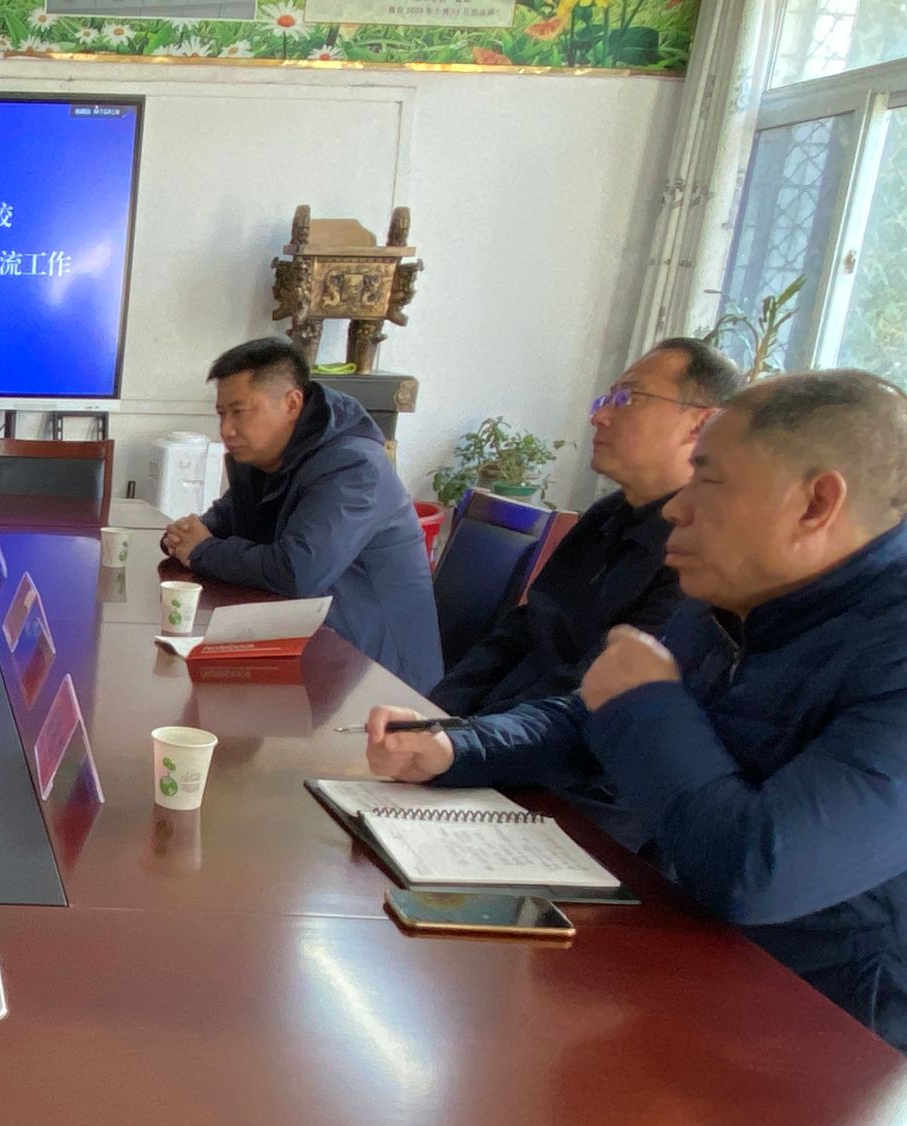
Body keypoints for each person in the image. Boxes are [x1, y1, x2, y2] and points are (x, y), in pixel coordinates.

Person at [365, 370, 907, 1051]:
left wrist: (649, 701)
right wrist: (458, 745)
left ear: (816, 503)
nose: (677, 509)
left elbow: (759, 874)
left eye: (709, 480)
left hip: (827, 1031)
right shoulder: (732, 593)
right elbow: (596, 712)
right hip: (676, 955)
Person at [431, 338, 742, 716]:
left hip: (551, 738)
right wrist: (431, 714)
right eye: (606, 399)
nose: (599, 416)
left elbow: (590, 695)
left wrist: (463, 738)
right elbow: (522, 630)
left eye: (628, 398)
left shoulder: (699, 550)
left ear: (701, 424)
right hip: (491, 727)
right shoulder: (606, 514)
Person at [161, 338, 442, 691]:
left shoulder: (354, 466)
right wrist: (185, 536)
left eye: (239, 412)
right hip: (308, 644)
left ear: (292, 403)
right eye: (221, 414)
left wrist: (201, 550)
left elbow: (298, 571)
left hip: (379, 676)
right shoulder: (266, 456)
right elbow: (225, 521)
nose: (226, 430)